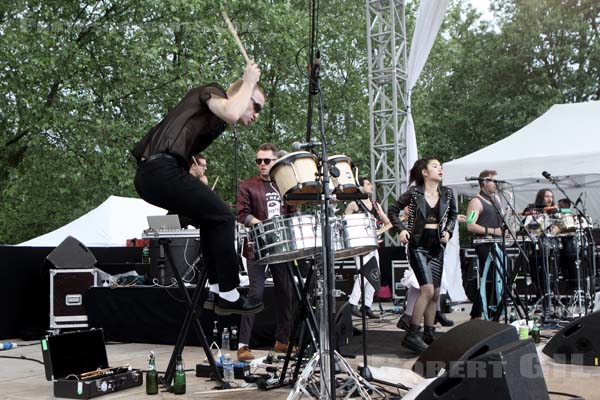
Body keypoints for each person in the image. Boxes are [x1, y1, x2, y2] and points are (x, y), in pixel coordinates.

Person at [132, 62, 265, 316]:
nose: (256, 115)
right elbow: (231, 110)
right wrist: (248, 82)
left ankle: (216, 290)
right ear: (239, 94)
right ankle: (229, 292)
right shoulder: (212, 92)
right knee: (225, 216)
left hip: (155, 174)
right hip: (159, 171)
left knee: (210, 220)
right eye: (255, 106)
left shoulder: (214, 121)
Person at [388, 158, 457, 353]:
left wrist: (449, 231)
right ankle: (413, 334)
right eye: (435, 166)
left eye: (440, 166)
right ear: (425, 172)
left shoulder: (447, 193)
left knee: (435, 292)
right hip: (418, 244)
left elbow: (452, 216)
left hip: (437, 246)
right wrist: (401, 229)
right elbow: (392, 210)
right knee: (426, 290)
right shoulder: (414, 192)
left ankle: (428, 332)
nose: (440, 169)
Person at [235, 143, 297, 361]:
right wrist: (262, 225)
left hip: (281, 246)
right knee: (255, 293)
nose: (262, 164)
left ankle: (283, 340)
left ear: (275, 161)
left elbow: (292, 212)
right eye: (258, 161)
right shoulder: (247, 185)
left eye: (266, 160)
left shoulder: (284, 185)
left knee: (285, 293)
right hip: (256, 247)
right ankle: (243, 345)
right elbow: (242, 214)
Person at [344, 177, 392, 319]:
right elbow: (344, 224)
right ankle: (352, 303)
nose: (371, 186)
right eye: (367, 184)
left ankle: (367, 306)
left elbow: (388, 223)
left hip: (373, 244)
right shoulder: (354, 204)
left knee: (374, 274)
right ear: (360, 187)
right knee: (364, 274)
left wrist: (378, 233)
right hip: (359, 244)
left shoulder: (376, 205)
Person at [465, 169, 505, 320]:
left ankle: (482, 312)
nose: (496, 184)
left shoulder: (497, 199)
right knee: (490, 276)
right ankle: (484, 312)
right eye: (493, 181)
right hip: (484, 243)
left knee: (497, 277)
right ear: (484, 183)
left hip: (497, 242)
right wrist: (493, 230)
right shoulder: (476, 202)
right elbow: (470, 225)